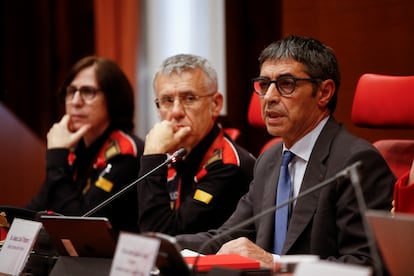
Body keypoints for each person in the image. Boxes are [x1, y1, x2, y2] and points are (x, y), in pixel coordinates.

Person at [176, 36, 395, 272]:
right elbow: (223, 238)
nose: (269, 96)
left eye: (286, 84)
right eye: (264, 84)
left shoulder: (356, 162)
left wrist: (276, 264)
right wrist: (163, 246)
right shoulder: (270, 160)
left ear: (324, 92)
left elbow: (368, 264)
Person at [137, 54, 256, 235]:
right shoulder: (177, 156)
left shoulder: (228, 165)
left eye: (189, 98)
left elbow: (163, 237)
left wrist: (153, 157)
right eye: (167, 100)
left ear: (215, 104)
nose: (176, 111)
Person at [27, 56, 144, 232]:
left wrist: (57, 155)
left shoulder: (127, 152)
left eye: (88, 92)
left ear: (113, 99)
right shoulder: (76, 149)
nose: (75, 102)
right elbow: (36, 208)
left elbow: (79, 226)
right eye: (71, 91)